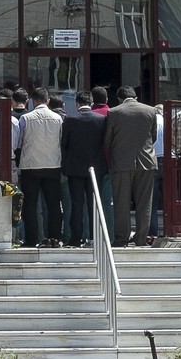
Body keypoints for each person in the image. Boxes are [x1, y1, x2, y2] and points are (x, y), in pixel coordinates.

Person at [102, 84, 159, 246]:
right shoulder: (150, 110)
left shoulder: (114, 112)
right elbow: (153, 136)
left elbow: (107, 140)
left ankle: (121, 238)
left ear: (119, 98)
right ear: (136, 96)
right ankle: (141, 238)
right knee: (144, 203)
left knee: (121, 202)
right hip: (147, 161)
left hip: (121, 162)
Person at [17, 88, 65, 246]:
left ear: (32, 100)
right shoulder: (58, 118)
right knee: (53, 204)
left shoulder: (25, 118)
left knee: (30, 204)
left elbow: (19, 142)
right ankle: (55, 238)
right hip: (52, 165)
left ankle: (31, 239)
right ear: (48, 101)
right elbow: (60, 140)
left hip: (30, 165)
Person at [60, 92, 107, 246]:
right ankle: (95, 237)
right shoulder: (101, 119)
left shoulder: (70, 119)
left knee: (76, 204)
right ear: (91, 102)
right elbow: (104, 142)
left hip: (74, 168)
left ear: (77, 103)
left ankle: (76, 238)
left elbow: (64, 144)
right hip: (96, 168)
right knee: (94, 204)